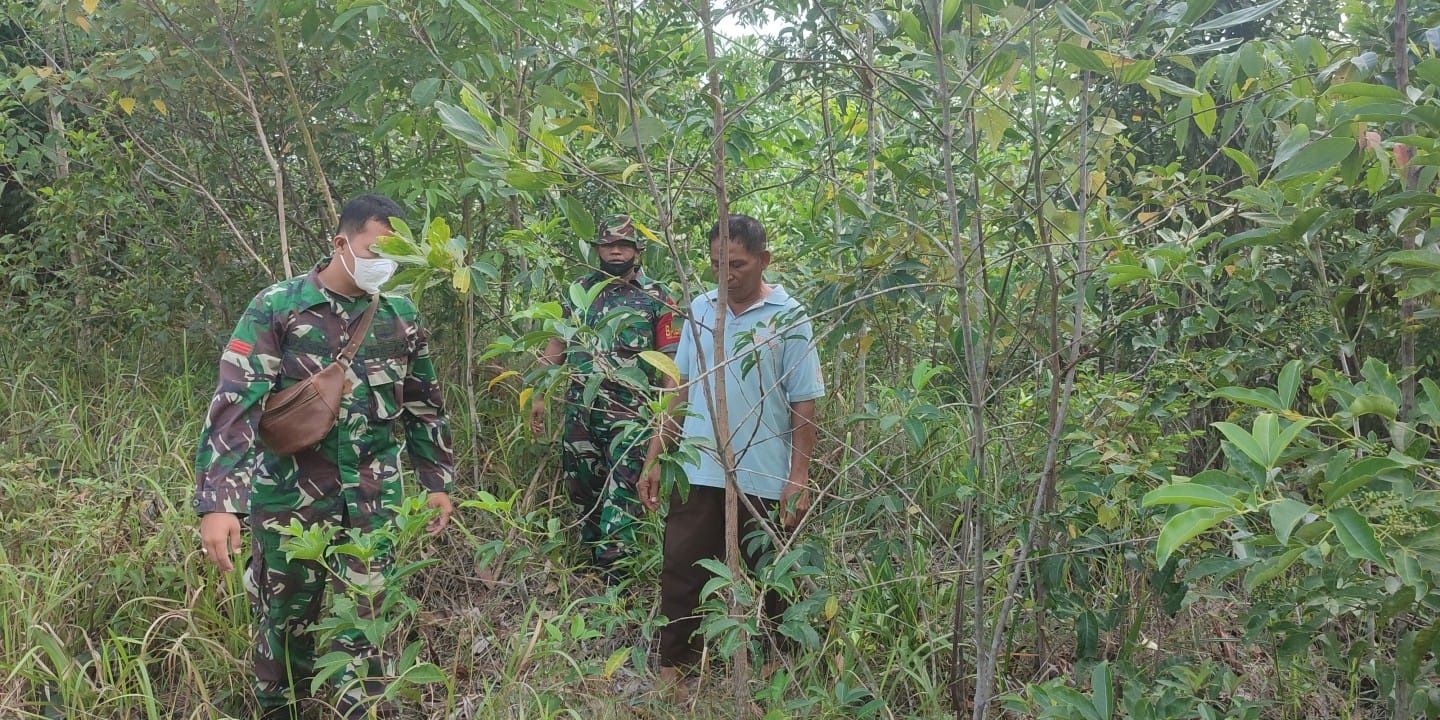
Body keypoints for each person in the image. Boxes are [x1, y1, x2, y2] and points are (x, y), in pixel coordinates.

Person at [194, 194, 455, 720]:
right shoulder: (278, 307)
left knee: (368, 625)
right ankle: (279, 710)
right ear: (341, 243)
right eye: (375, 249)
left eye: (397, 254)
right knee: (285, 623)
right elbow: (235, 404)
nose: (385, 263)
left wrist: (436, 481)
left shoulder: (402, 316)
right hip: (290, 503)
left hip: (374, 502)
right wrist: (220, 502)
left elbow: (425, 408)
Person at [638, 213, 824, 691]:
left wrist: (798, 477)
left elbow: (804, 399)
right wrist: (657, 454)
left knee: (773, 575)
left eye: (737, 264)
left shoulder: (789, 317)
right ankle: (674, 672)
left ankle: (775, 671)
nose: (726, 276)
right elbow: (678, 388)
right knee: (682, 571)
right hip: (699, 468)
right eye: (718, 264)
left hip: (763, 473)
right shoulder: (700, 309)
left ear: (764, 260)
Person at [531, 214, 682, 581]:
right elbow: (556, 344)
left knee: (623, 497)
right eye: (609, 244)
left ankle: (617, 585)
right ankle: (590, 573)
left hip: (630, 418)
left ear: (637, 251)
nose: (616, 251)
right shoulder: (578, 293)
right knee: (584, 492)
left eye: (625, 244)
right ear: (597, 249)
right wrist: (538, 395)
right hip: (580, 415)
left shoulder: (658, 298)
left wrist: (665, 424)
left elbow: (672, 369)